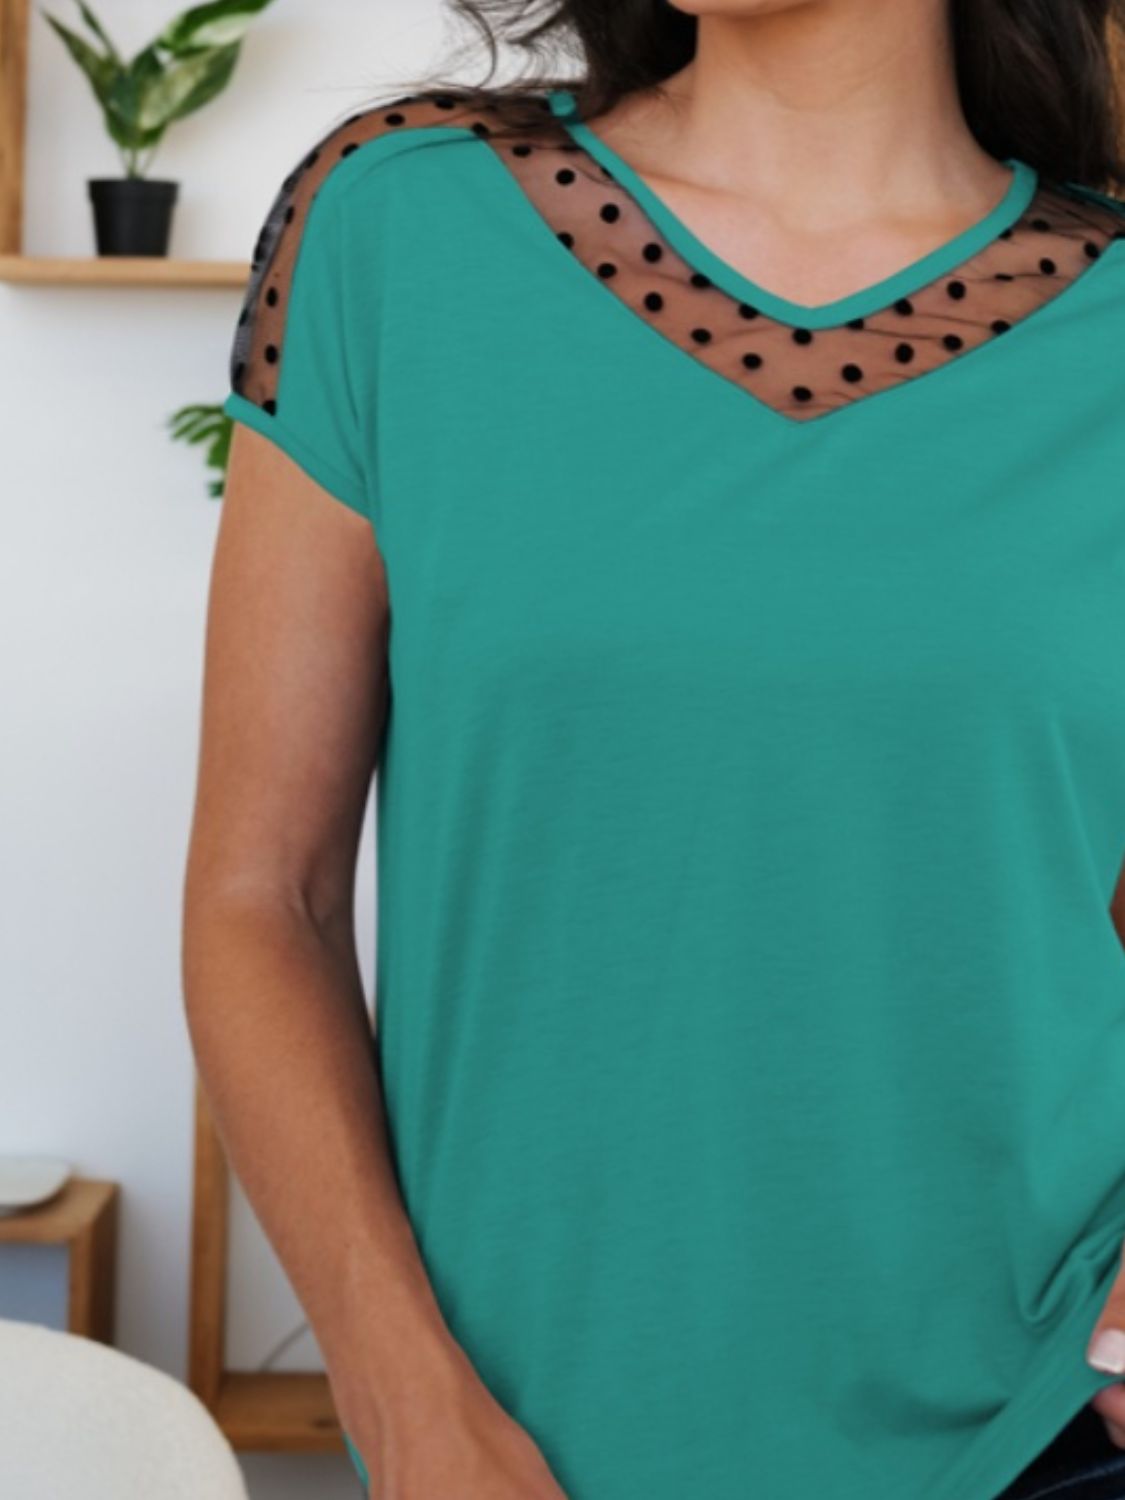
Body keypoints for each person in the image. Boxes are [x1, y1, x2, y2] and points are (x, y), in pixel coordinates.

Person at [181, 1, 1125, 1496]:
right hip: (514, 1439)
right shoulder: (397, 226)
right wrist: (403, 1396)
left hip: (1045, 1421)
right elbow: (264, 894)